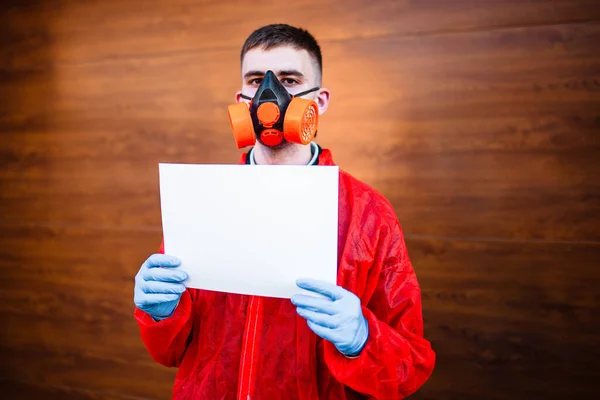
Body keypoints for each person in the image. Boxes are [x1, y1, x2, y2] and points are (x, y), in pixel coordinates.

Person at [134, 24, 435, 399]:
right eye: (256, 79)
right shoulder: (203, 201)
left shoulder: (368, 215)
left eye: (290, 80)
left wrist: (362, 338)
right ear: (241, 99)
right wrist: (160, 314)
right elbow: (169, 352)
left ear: (319, 101)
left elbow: (406, 369)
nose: (269, 94)